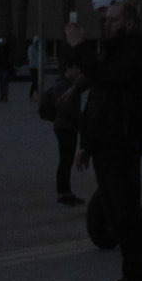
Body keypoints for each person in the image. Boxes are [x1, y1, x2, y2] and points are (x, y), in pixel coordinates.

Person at [67, 0, 142, 281]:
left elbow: (107, 80)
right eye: (105, 21)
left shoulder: (137, 51)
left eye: (114, 20)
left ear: (130, 23)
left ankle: (139, 279)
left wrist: (79, 47)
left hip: (122, 142)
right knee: (118, 212)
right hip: (108, 142)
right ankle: (131, 276)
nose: (107, 24)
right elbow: (99, 101)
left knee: (126, 212)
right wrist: (87, 144)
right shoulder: (117, 51)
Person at [52, 60, 86, 206]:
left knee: (67, 160)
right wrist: (81, 119)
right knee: (65, 161)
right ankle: (63, 193)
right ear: (68, 69)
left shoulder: (69, 85)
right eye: (76, 68)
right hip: (65, 127)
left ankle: (65, 191)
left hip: (67, 127)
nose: (78, 72)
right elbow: (67, 108)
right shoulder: (63, 86)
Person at [0, 37, 12, 104]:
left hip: (5, 67)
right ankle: (2, 97)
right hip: (0, 66)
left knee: (5, 82)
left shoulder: (6, 49)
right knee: (2, 83)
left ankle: (5, 97)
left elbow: (9, 51)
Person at [27, 35, 43, 101]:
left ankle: (37, 93)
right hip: (33, 67)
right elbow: (31, 58)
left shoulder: (39, 48)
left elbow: (42, 56)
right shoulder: (31, 48)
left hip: (38, 68)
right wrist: (36, 64)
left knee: (37, 81)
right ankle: (33, 95)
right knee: (34, 81)